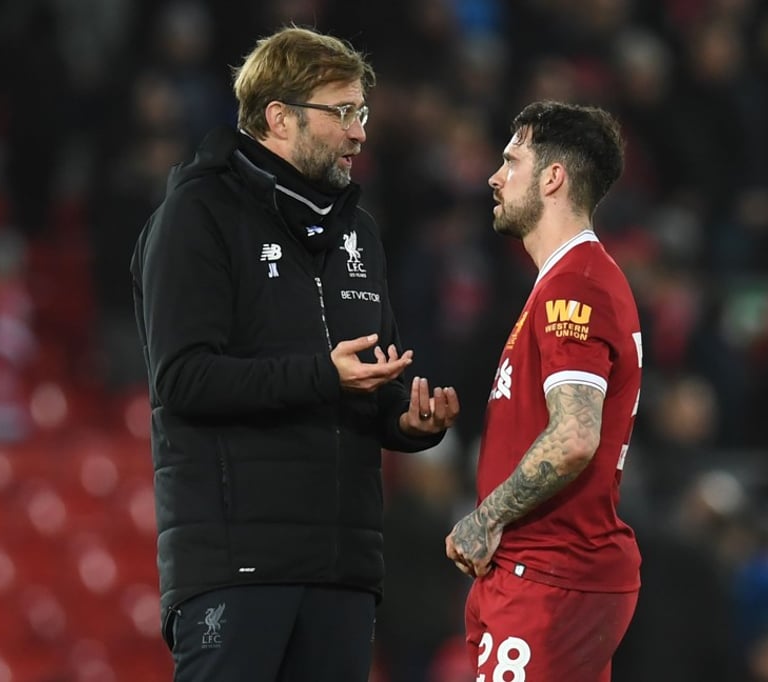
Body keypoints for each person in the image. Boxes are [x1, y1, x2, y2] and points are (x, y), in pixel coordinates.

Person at [131, 26, 459, 682]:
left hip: (343, 566)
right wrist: (322, 376)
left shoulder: (358, 232)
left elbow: (373, 381)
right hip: (236, 563)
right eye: (342, 112)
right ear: (277, 116)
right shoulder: (197, 215)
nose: (359, 133)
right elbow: (183, 378)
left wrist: (409, 422)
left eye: (361, 113)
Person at [445, 101, 642, 681]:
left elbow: (575, 436)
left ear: (552, 178)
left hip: (549, 576)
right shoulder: (564, 281)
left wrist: (485, 518)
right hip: (540, 576)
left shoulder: (575, 286)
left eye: (512, 160)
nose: (494, 176)